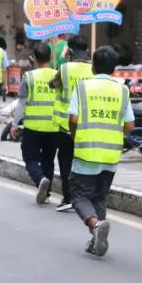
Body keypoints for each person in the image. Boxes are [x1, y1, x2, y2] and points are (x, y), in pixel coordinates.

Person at [68, 45, 135, 257]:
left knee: (78, 196)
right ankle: (96, 238)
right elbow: (130, 125)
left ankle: (96, 226)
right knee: (99, 198)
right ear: (114, 68)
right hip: (111, 154)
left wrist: (75, 135)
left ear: (93, 67)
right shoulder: (123, 90)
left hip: (87, 151)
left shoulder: (82, 87)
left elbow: (73, 119)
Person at [51, 34, 93, 211]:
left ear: (70, 51)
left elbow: (53, 84)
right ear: (88, 51)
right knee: (85, 160)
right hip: (89, 124)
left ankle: (68, 197)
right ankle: (86, 197)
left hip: (67, 124)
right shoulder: (94, 70)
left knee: (66, 161)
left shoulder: (65, 68)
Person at [16, 42, 58, 204]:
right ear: (51, 57)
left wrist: (14, 124)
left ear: (34, 58)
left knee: (29, 157)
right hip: (53, 126)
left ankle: (40, 179)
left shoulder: (29, 77)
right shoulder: (58, 75)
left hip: (33, 126)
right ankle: (46, 194)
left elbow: (21, 103)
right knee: (48, 159)